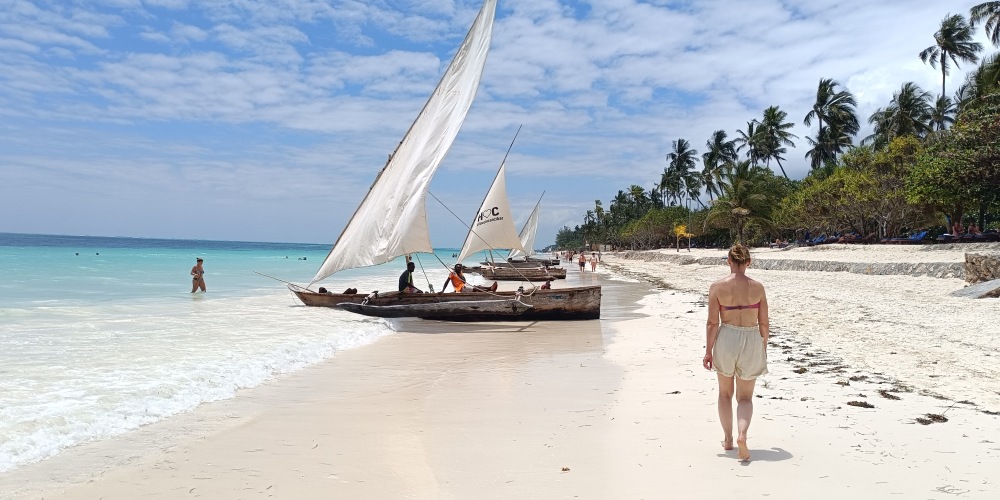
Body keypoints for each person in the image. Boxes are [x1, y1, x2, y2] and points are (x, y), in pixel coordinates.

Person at [702, 243, 769, 462]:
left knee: (724, 394)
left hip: (727, 337)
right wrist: (763, 346)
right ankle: (742, 434)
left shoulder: (717, 287)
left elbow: (713, 322)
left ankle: (728, 439)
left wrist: (708, 351)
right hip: (751, 337)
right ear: (748, 262)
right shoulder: (758, 287)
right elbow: (764, 323)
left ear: (729, 261)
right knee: (745, 397)